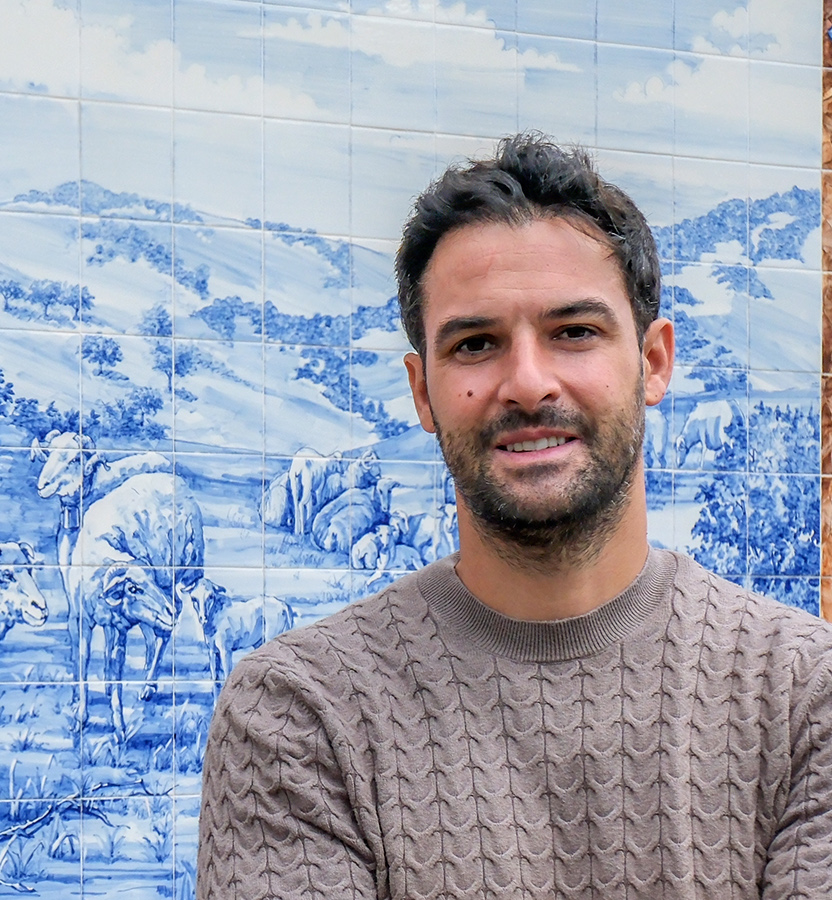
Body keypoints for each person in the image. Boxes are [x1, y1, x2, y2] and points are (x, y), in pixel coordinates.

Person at [197, 134, 832, 898]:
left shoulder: (805, 695)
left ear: (653, 362)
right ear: (423, 393)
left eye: (574, 332)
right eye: (476, 344)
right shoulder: (300, 715)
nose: (528, 384)